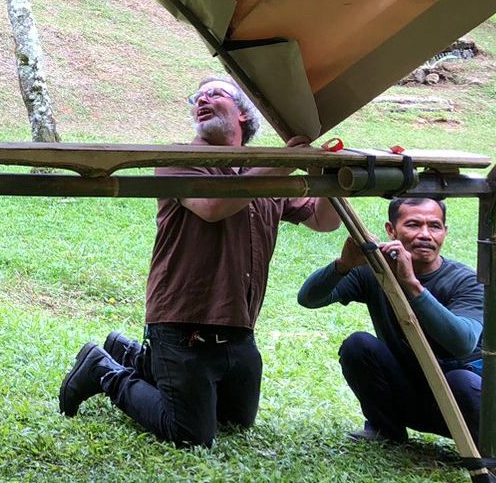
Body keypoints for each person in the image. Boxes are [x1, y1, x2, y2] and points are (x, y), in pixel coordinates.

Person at [58, 75, 339, 447]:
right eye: (198, 96)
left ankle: (129, 353)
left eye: (216, 93)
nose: (202, 99)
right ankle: (104, 371)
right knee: (190, 435)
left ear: (242, 113)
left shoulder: (265, 170)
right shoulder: (178, 160)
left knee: (236, 421)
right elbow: (213, 207)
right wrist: (286, 164)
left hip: (238, 331)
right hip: (182, 323)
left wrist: (330, 179)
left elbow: (324, 221)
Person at [296, 197, 496, 450]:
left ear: (445, 232)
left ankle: (488, 447)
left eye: (434, 226)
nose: (425, 234)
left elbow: (462, 343)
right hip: (408, 399)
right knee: (358, 345)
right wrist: (343, 265)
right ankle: (386, 429)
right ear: (391, 230)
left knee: (463, 379)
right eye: (413, 225)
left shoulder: (466, 281)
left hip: (459, 406)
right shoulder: (375, 272)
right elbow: (308, 299)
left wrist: (412, 286)